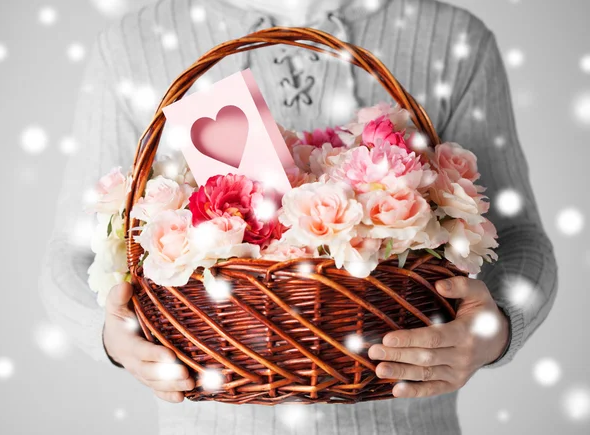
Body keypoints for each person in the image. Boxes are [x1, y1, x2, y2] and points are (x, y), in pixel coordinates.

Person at [39, 0, 559, 434]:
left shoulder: (450, 37)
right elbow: (70, 250)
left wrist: (495, 331)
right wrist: (109, 335)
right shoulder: (135, 42)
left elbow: (518, 234)